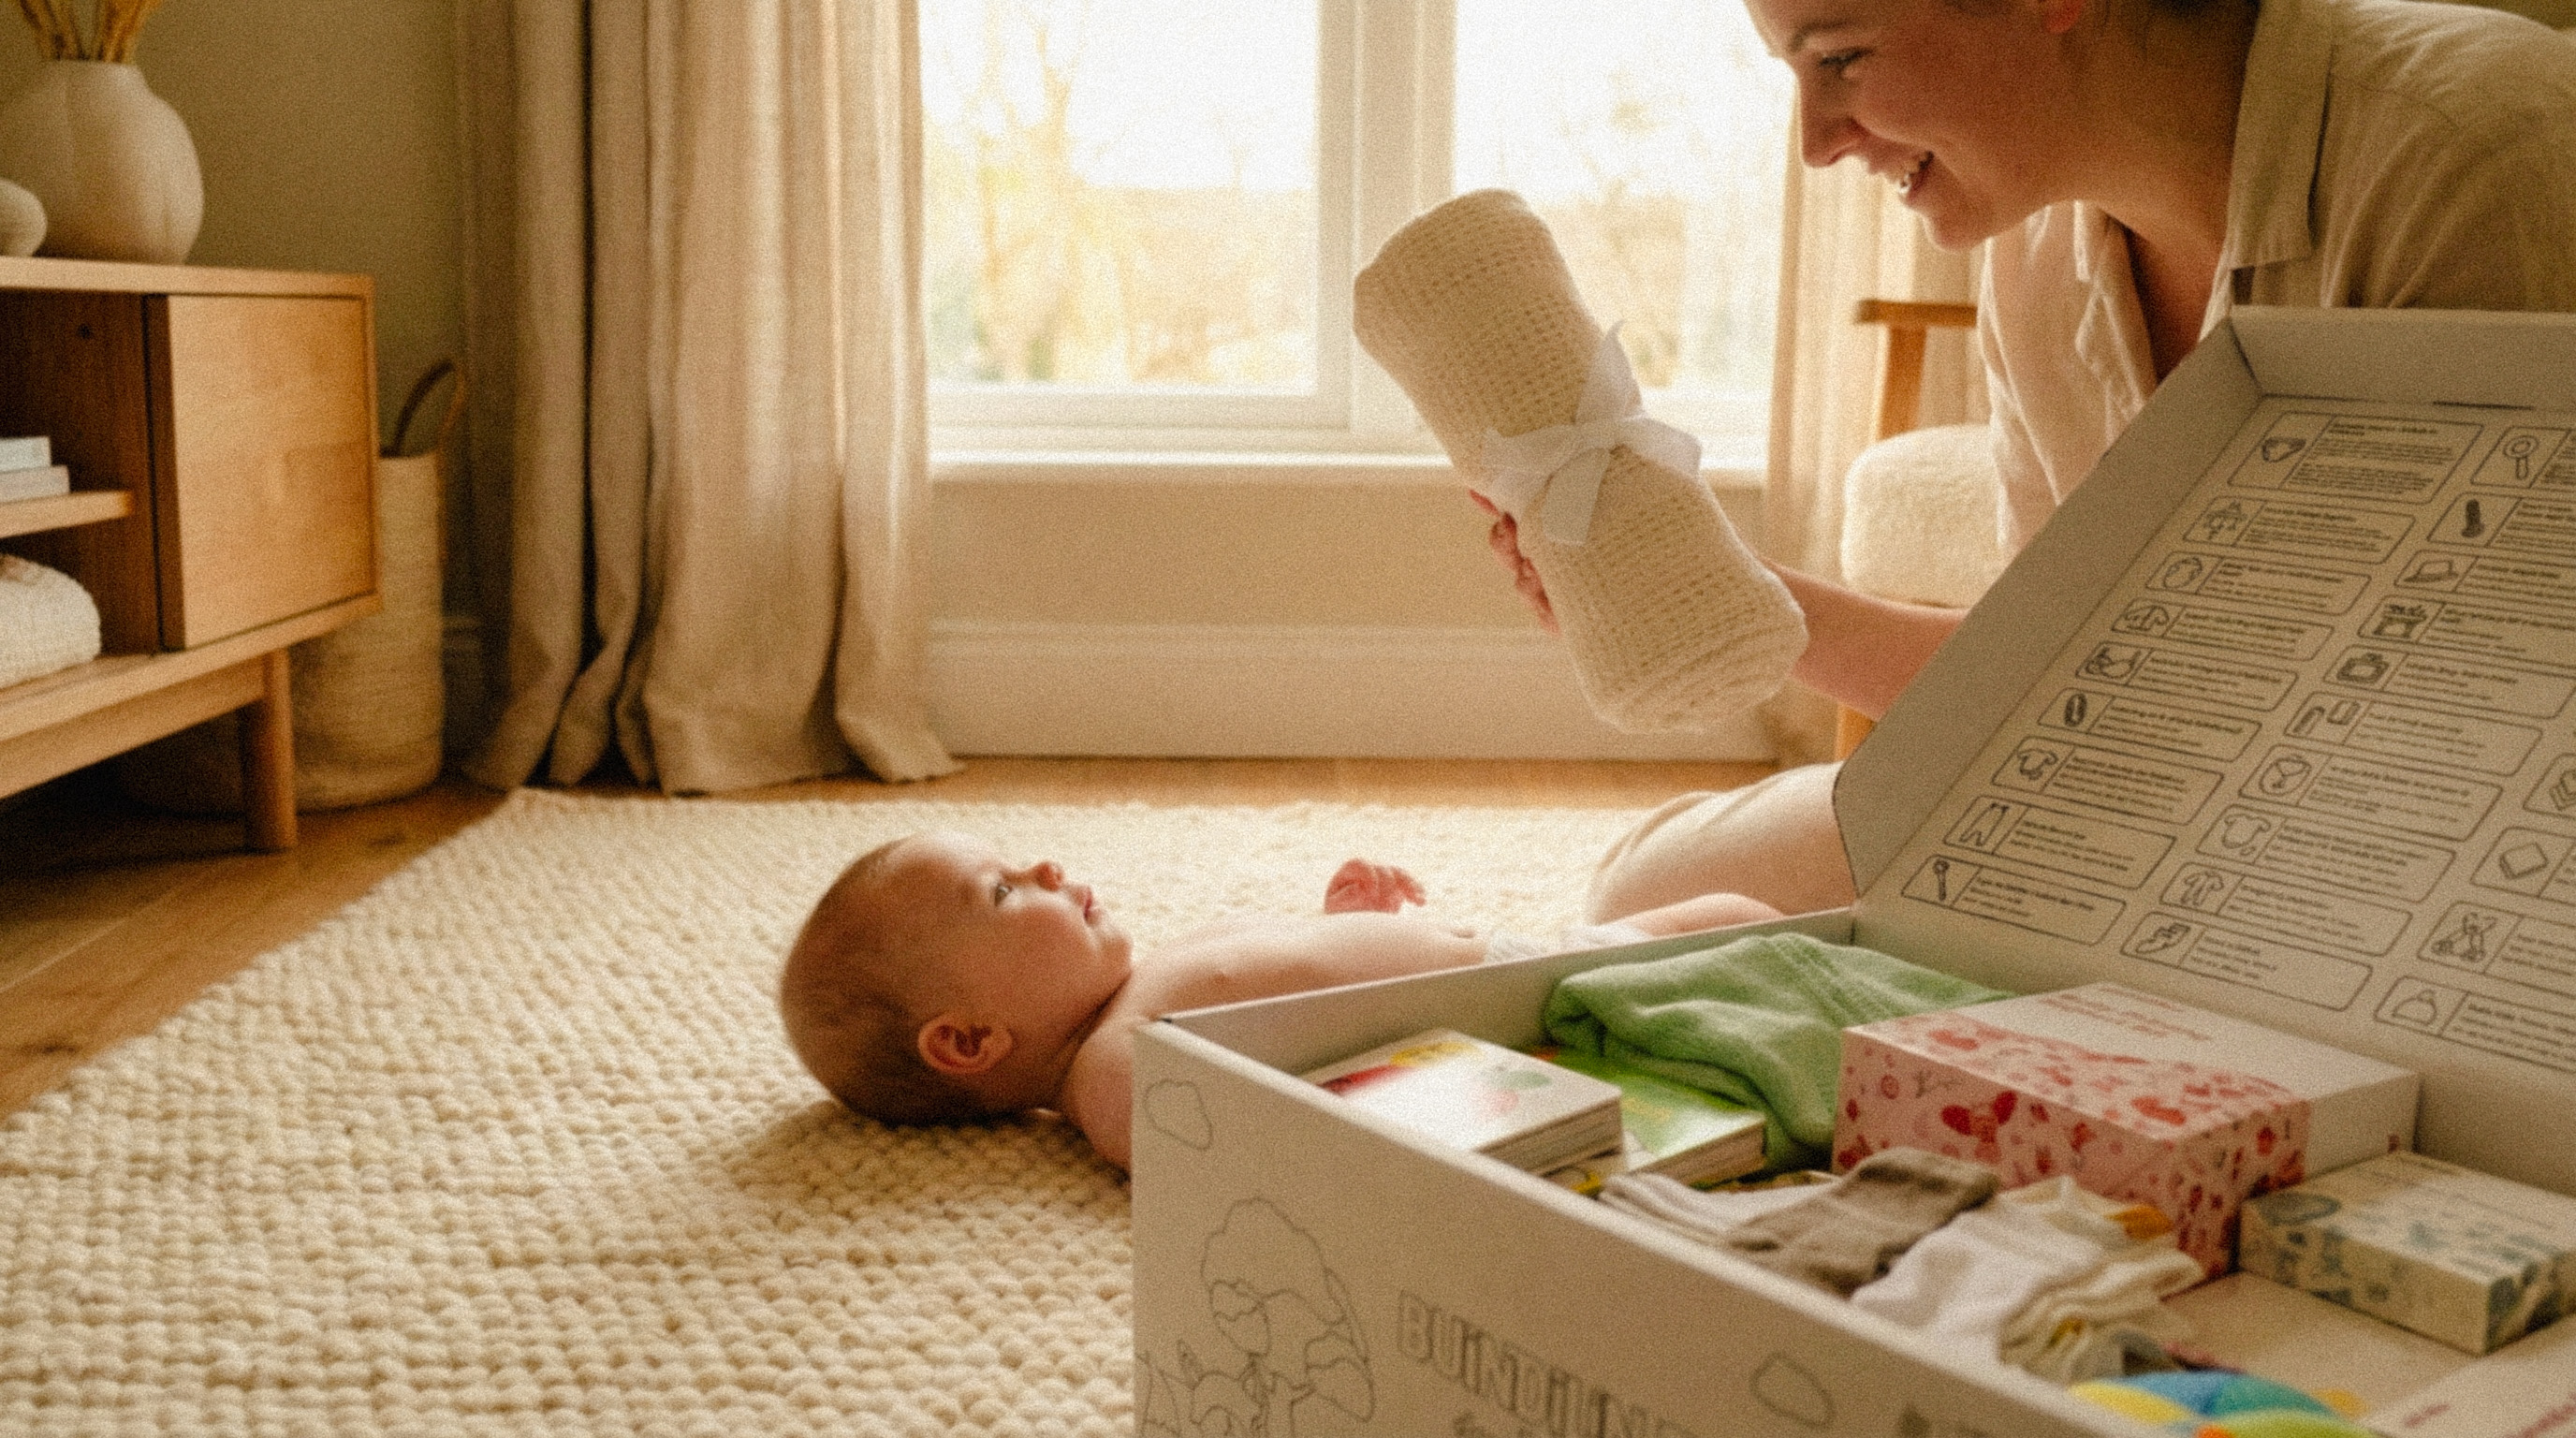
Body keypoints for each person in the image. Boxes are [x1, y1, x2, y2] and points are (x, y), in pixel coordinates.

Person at [1515, 0, 2576, 924]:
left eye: (1839, 59)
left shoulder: (2472, 149)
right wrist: (1729, 601)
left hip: (2453, 826)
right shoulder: (2033, 262)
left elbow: (2424, 733)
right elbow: (2064, 686)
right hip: (2205, 794)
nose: (1816, 143)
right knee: (1649, 893)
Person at [777, 831, 1778, 1169]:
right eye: (1002, 893)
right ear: (966, 1040)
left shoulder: (1132, 999)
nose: (1041, 864)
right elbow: (1236, 1143)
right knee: (1738, 917)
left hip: (1507, 963)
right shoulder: (1116, 1071)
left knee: (1732, 919)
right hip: (1531, 994)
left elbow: (1289, 997)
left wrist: (1342, 922)